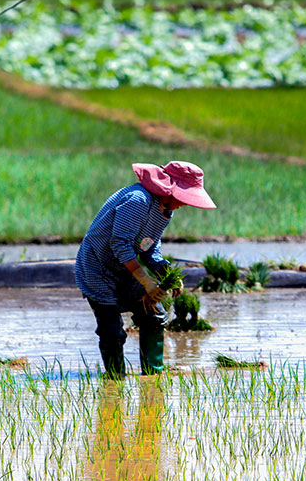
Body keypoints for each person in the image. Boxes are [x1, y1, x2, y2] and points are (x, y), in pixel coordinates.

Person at [75, 161, 217, 377]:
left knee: (155, 315)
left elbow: (149, 247)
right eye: (184, 198)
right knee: (112, 329)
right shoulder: (138, 200)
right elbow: (119, 243)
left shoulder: (166, 209)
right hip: (98, 267)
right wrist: (146, 281)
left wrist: (165, 273)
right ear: (169, 189)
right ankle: (115, 379)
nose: (184, 204)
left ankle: (152, 378)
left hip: (125, 267)